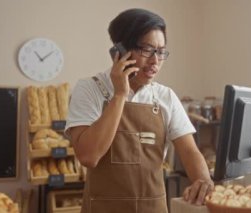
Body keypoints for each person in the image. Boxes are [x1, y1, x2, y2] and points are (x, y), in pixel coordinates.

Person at [65, 8, 213, 213]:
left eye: (161, 51)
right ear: (119, 51)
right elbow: (88, 156)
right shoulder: (89, 89)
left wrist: (203, 180)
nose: (155, 61)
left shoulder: (165, 96)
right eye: (147, 49)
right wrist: (119, 95)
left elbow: (189, 150)